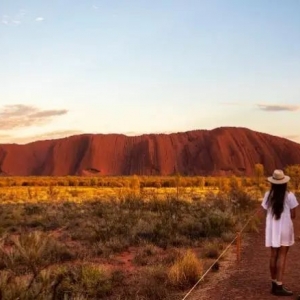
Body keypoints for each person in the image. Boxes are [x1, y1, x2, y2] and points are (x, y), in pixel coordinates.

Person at [261, 169, 298, 296]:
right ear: (284, 182)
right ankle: (279, 285)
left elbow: (265, 211)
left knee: (273, 254)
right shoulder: (290, 195)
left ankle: (273, 283)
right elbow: (294, 215)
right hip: (285, 227)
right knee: (282, 255)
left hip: (272, 227)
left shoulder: (268, 195)